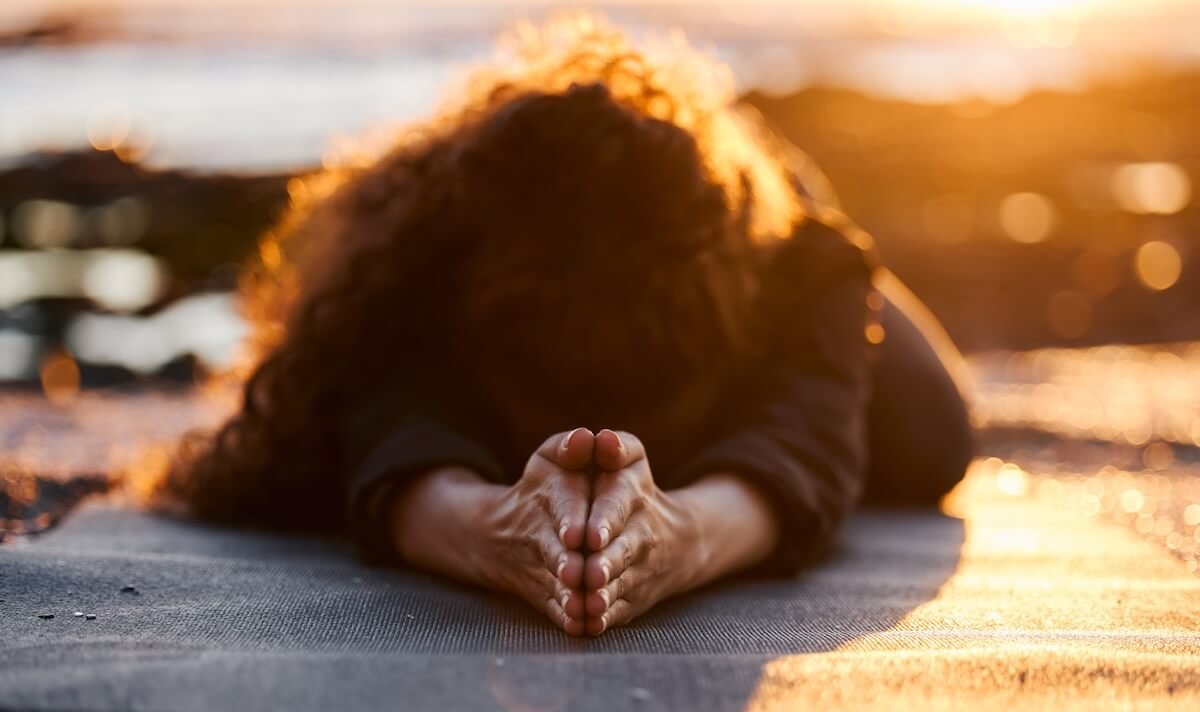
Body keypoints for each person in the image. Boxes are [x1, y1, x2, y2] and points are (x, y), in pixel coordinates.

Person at [157, 18, 973, 637]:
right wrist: (489, 530)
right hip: (488, 247)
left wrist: (683, 538)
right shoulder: (422, 254)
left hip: (749, 249)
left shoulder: (788, 259)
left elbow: (809, 426)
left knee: (930, 438)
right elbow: (387, 420)